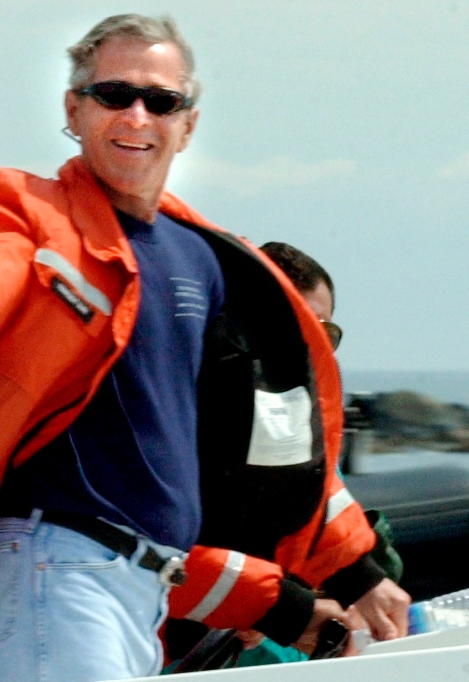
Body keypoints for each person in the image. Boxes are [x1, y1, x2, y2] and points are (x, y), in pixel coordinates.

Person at [0, 13, 391, 682]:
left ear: (187, 124)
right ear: (74, 110)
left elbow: (264, 436)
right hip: (53, 567)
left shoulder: (205, 259)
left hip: (146, 582)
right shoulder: (22, 212)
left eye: (160, 100)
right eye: (113, 95)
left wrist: (357, 569)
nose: (136, 115)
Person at [162, 242, 410, 669]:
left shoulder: (306, 441)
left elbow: (318, 523)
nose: (306, 346)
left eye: (324, 333)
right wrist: (273, 607)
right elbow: (151, 547)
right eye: (292, 325)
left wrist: (361, 578)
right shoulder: (173, 411)